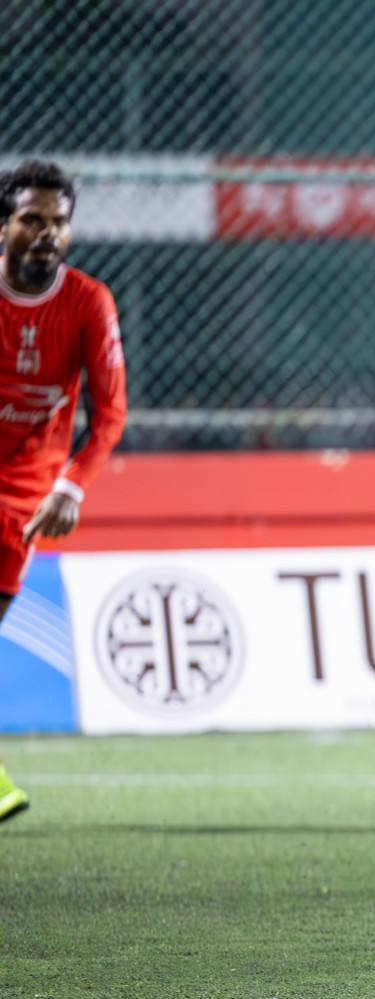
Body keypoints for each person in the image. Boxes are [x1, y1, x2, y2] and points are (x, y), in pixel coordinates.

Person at [0, 160, 127, 825]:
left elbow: (110, 413)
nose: (48, 233)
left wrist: (72, 485)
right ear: (4, 227)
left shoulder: (87, 303)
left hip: (25, 489)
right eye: (32, 220)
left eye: (60, 222)